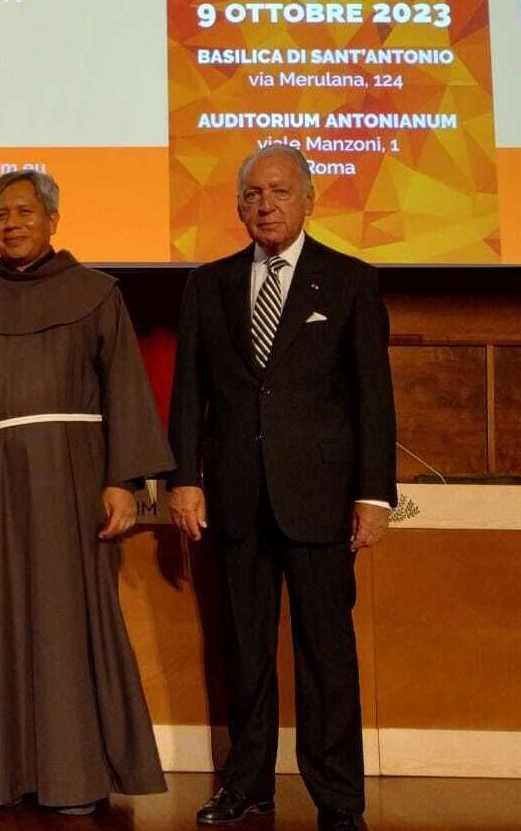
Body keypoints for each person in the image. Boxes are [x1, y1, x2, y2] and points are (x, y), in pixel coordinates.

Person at [0, 169, 173, 813]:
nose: (12, 224)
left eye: (25, 212)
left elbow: (123, 385)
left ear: (52, 220)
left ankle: (73, 775)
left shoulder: (95, 294)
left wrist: (122, 481)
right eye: (0, 214)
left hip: (71, 476)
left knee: (66, 619)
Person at [168, 144, 395, 831]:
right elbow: (188, 396)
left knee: (327, 656)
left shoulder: (350, 281)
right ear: (237, 207)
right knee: (244, 651)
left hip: (320, 502)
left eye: (279, 191)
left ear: (308, 200)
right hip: (235, 499)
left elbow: (372, 399)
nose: (265, 204)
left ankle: (338, 800)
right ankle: (248, 786)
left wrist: (374, 494)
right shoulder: (208, 285)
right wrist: (183, 478)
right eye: (252, 194)